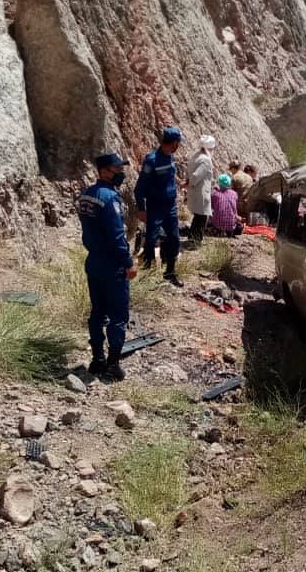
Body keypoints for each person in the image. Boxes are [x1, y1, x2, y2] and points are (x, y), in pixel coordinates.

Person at [77, 153, 138, 381]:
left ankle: (97, 359)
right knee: (117, 316)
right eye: (117, 169)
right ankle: (112, 364)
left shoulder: (87, 195)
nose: (121, 173)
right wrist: (128, 262)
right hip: (112, 264)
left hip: (93, 261)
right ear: (104, 171)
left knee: (97, 312)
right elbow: (116, 236)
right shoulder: (110, 198)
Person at [135, 126, 185, 286]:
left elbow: (170, 176)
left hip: (170, 206)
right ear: (174, 143)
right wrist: (141, 209)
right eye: (178, 143)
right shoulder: (152, 160)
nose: (178, 146)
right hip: (155, 206)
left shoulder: (170, 157)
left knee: (174, 239)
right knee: (151, 239)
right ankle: (146, 272)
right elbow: (139, 187)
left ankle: (170, 272)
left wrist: (179, 183)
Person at [187, 135, 216, 245]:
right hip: (201, 192)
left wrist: (188, 182)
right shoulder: (206, 160)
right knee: (202, 217)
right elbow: (196, 176)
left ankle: (192, 237)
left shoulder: (196, 156)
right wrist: (189, 183)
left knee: (198, 216)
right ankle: (195, 240)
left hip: (196, 191)